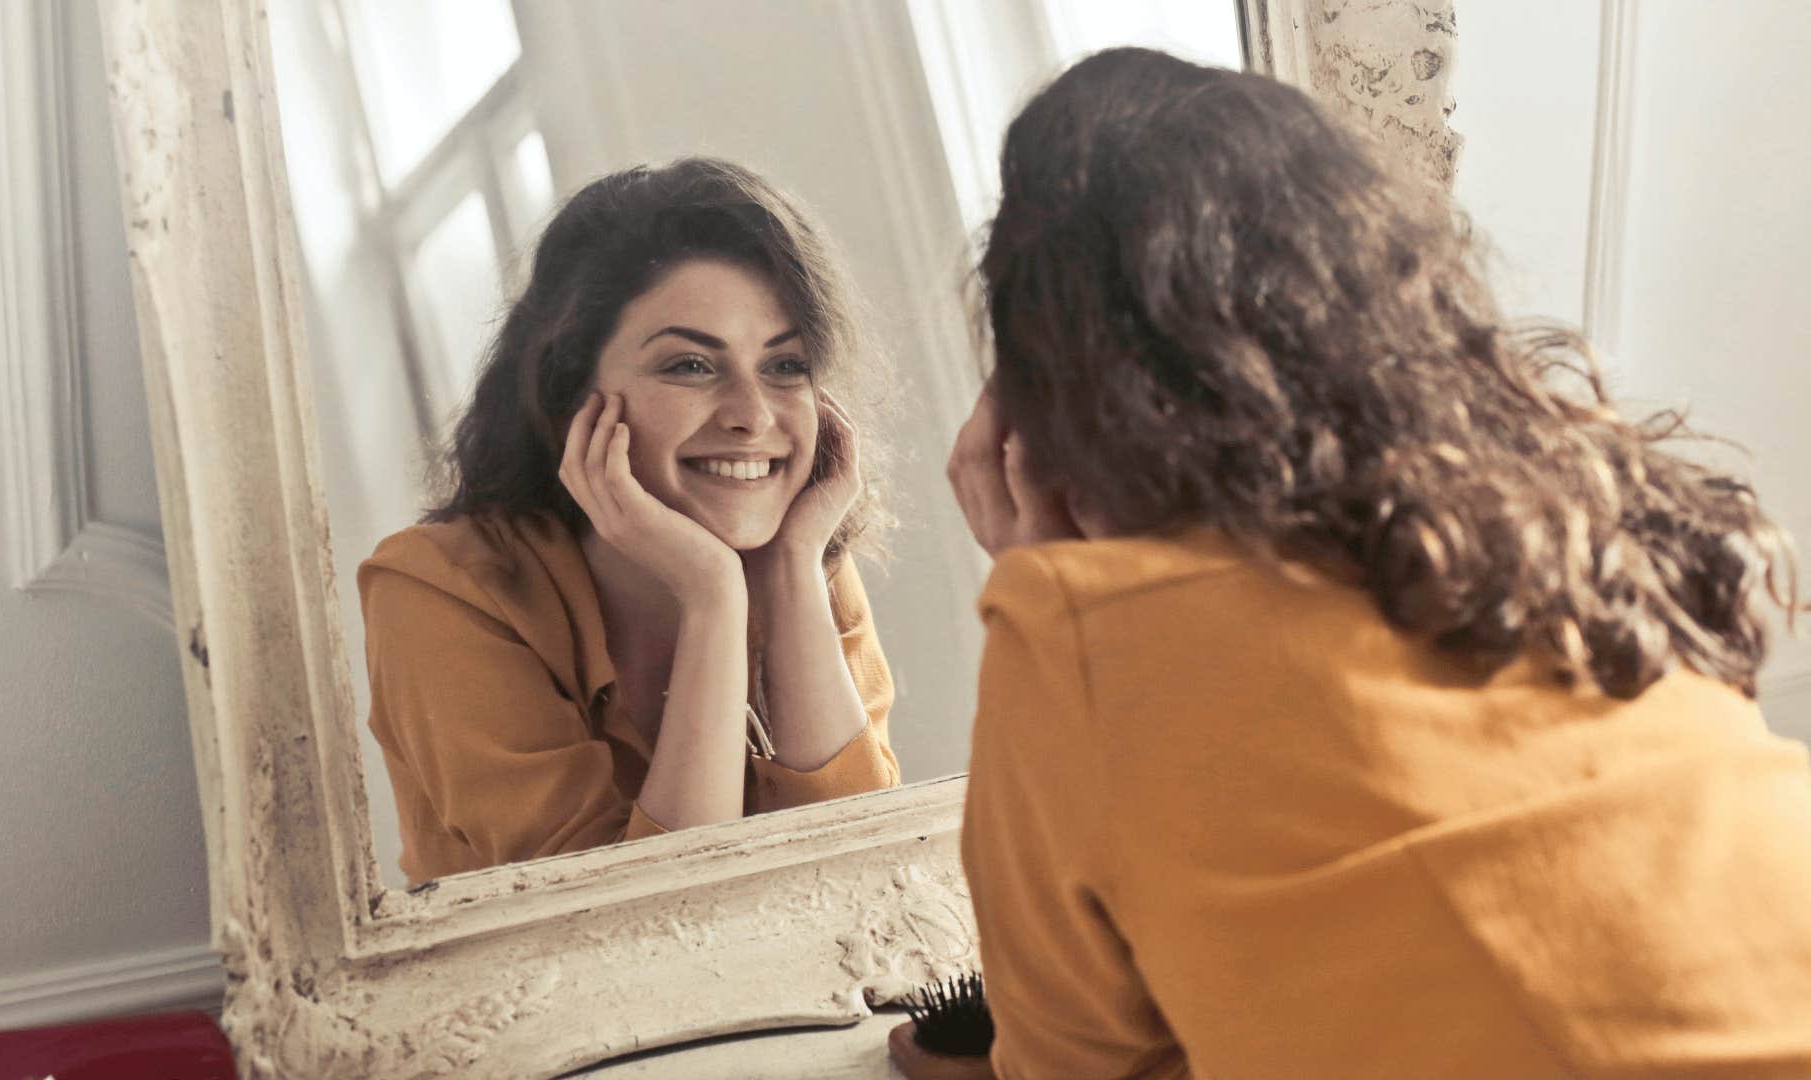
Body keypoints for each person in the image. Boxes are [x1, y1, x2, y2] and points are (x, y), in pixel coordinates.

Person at [934, 48, 1811, 1079]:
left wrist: (1038, 577)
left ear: (1035, 429)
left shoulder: (1081, 641)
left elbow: (1075, 1070)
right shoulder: (1574, 505)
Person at [359, 158, 901, 887]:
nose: (752, 415)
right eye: (688, 366)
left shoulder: (802, 561)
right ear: (568, 394)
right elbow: (628, 925)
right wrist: (712, 598)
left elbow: (865, 879)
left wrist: (792, 573)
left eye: (785, 365)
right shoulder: (439, 590)